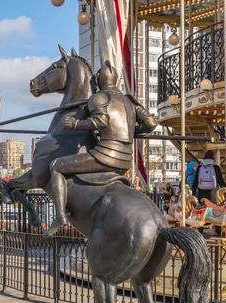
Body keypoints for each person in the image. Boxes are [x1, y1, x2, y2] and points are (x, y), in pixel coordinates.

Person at [44, 60, 158, 237]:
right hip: (126, 160)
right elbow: (151, 123)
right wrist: (132, 132)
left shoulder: (100, 97)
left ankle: (60, 216)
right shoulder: (129, 101)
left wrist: (75, 124)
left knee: (56, 166)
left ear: (98, 79)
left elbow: (100, 121)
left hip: (105, 155)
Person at [192, 150, 226, 234]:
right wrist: (225, 188)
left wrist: (193, 192)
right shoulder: (215, 167)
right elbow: (220, 179)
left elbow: (196, 180)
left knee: (202, 209)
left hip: (201, 191)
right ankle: (218, 230)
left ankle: (200, 230)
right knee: (215, 210)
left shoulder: (200, 167)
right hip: (213, 191)